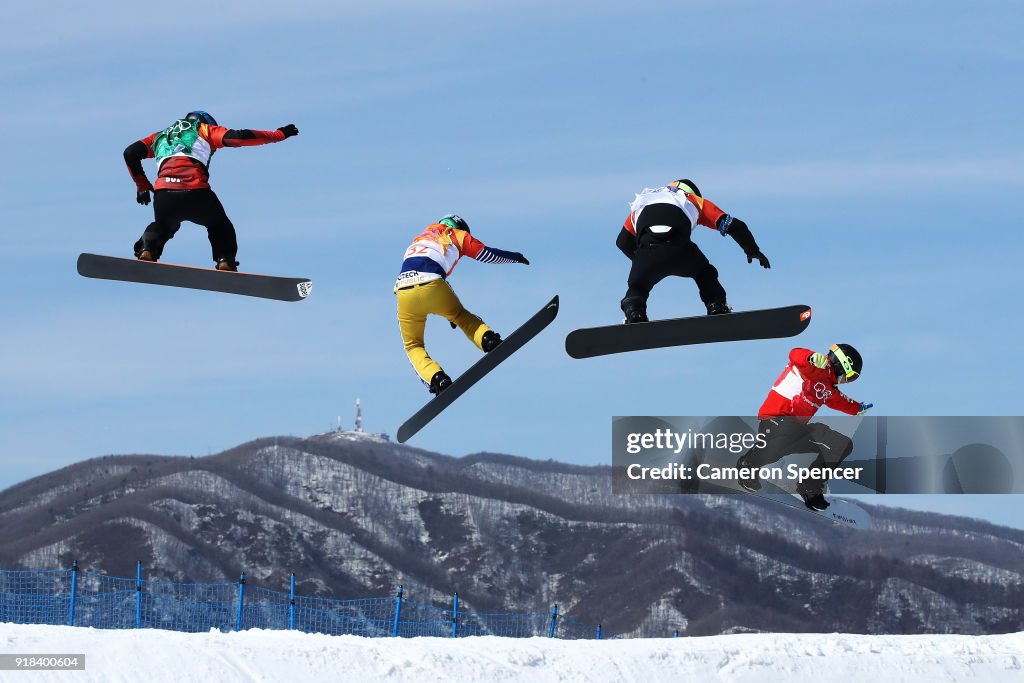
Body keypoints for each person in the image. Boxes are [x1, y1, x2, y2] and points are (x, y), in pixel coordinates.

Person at [123, 111, 299, 271]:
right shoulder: (204, 129)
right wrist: (278, 135)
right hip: (195, 191)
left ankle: (148, 249)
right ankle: (225, 261)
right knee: (220, 225)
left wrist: (142, 186)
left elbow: (130, 153)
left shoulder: (160, 136)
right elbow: (238, 137)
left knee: (162, 225)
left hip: (164, 195)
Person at [395, 215, 529, 394]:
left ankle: (437, 379)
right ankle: (488, 340)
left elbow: (421, 267)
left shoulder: (418, 240)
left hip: (404, 291)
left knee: (413, 346)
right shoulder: (456, 235)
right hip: (433, 283)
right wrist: (515, 257)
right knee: (460, 315)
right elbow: (486, 254)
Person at [736, 344, 874, 510]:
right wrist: (811, 358)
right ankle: (748, 464)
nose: (845, 381)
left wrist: (857, 408)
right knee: (786, 434)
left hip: (796, 431)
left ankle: (810, 486)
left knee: (841, 445)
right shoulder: (813, 366)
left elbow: (841, 401)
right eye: (848, 377)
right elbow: (795, 354)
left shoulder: (829, 389)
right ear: (841, 364)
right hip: (775, 422)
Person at [616, 179, 770, 322]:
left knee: (638, 286)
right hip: (681, 251)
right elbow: (735, 226)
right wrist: (752, 250)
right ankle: (716, 305)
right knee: (704, 273)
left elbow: (623, 242)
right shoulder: (693, 200)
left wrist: (642, 262)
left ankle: (634, 310)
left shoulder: (642, 202)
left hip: (647, 254)